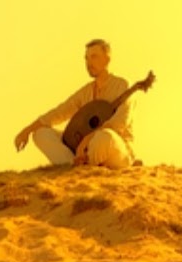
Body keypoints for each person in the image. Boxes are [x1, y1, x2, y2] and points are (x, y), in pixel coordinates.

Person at [14, 39, 140, 169]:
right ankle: (73, 166)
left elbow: (120, 123)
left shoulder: (123, 85)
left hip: (116, 150)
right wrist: (26, 131)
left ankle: (87, 165)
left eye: (94, 57)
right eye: (86, 58)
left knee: (103, 137)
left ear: (107, 59)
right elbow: (59, 112)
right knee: (41, 134)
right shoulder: (86, 91)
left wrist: (87, 140)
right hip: (83, 150)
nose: (89, 63)